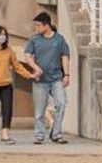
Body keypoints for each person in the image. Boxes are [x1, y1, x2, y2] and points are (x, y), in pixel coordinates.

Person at [25, 12, 71, 145]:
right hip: (40, 81)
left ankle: (56, 134)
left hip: (56, 79)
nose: (37, 28)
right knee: (39, 110)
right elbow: (27, 56)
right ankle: (39, 135)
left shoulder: (59, 39)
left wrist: (67, 75)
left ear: (47, 25)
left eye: (39, 25)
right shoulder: (34, 40)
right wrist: (35, 67)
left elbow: (65, 57)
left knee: (61, 104)